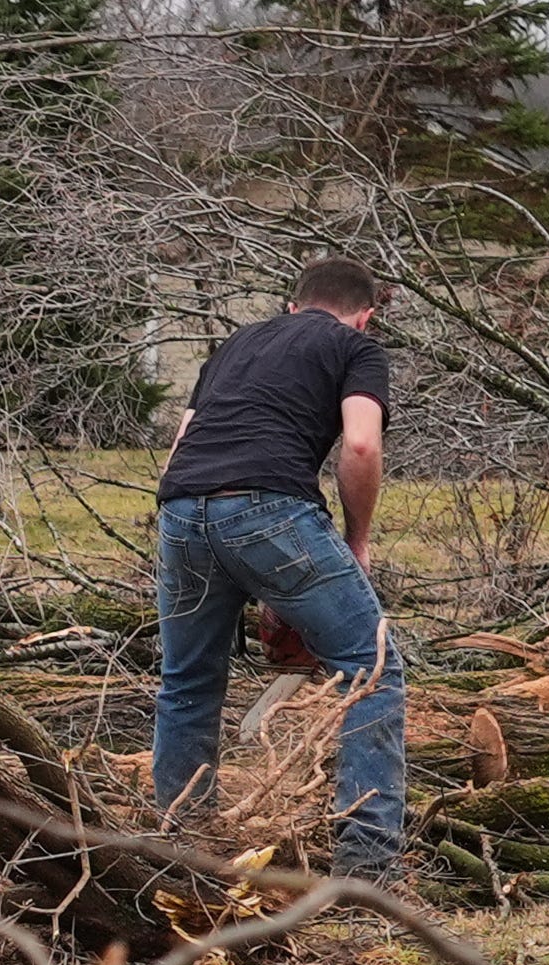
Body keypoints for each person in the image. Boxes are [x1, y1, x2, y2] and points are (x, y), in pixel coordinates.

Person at [150, 255, 403, 880]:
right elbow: (363, 444)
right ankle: (366, 864)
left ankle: (181, 849)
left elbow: (181, 447)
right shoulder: (355, 349)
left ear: (293, 304)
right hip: (271, 504)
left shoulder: (233, 346)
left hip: (180, 506)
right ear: (365, 316)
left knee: (187, 681)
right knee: (371, 668)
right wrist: (356, 540)